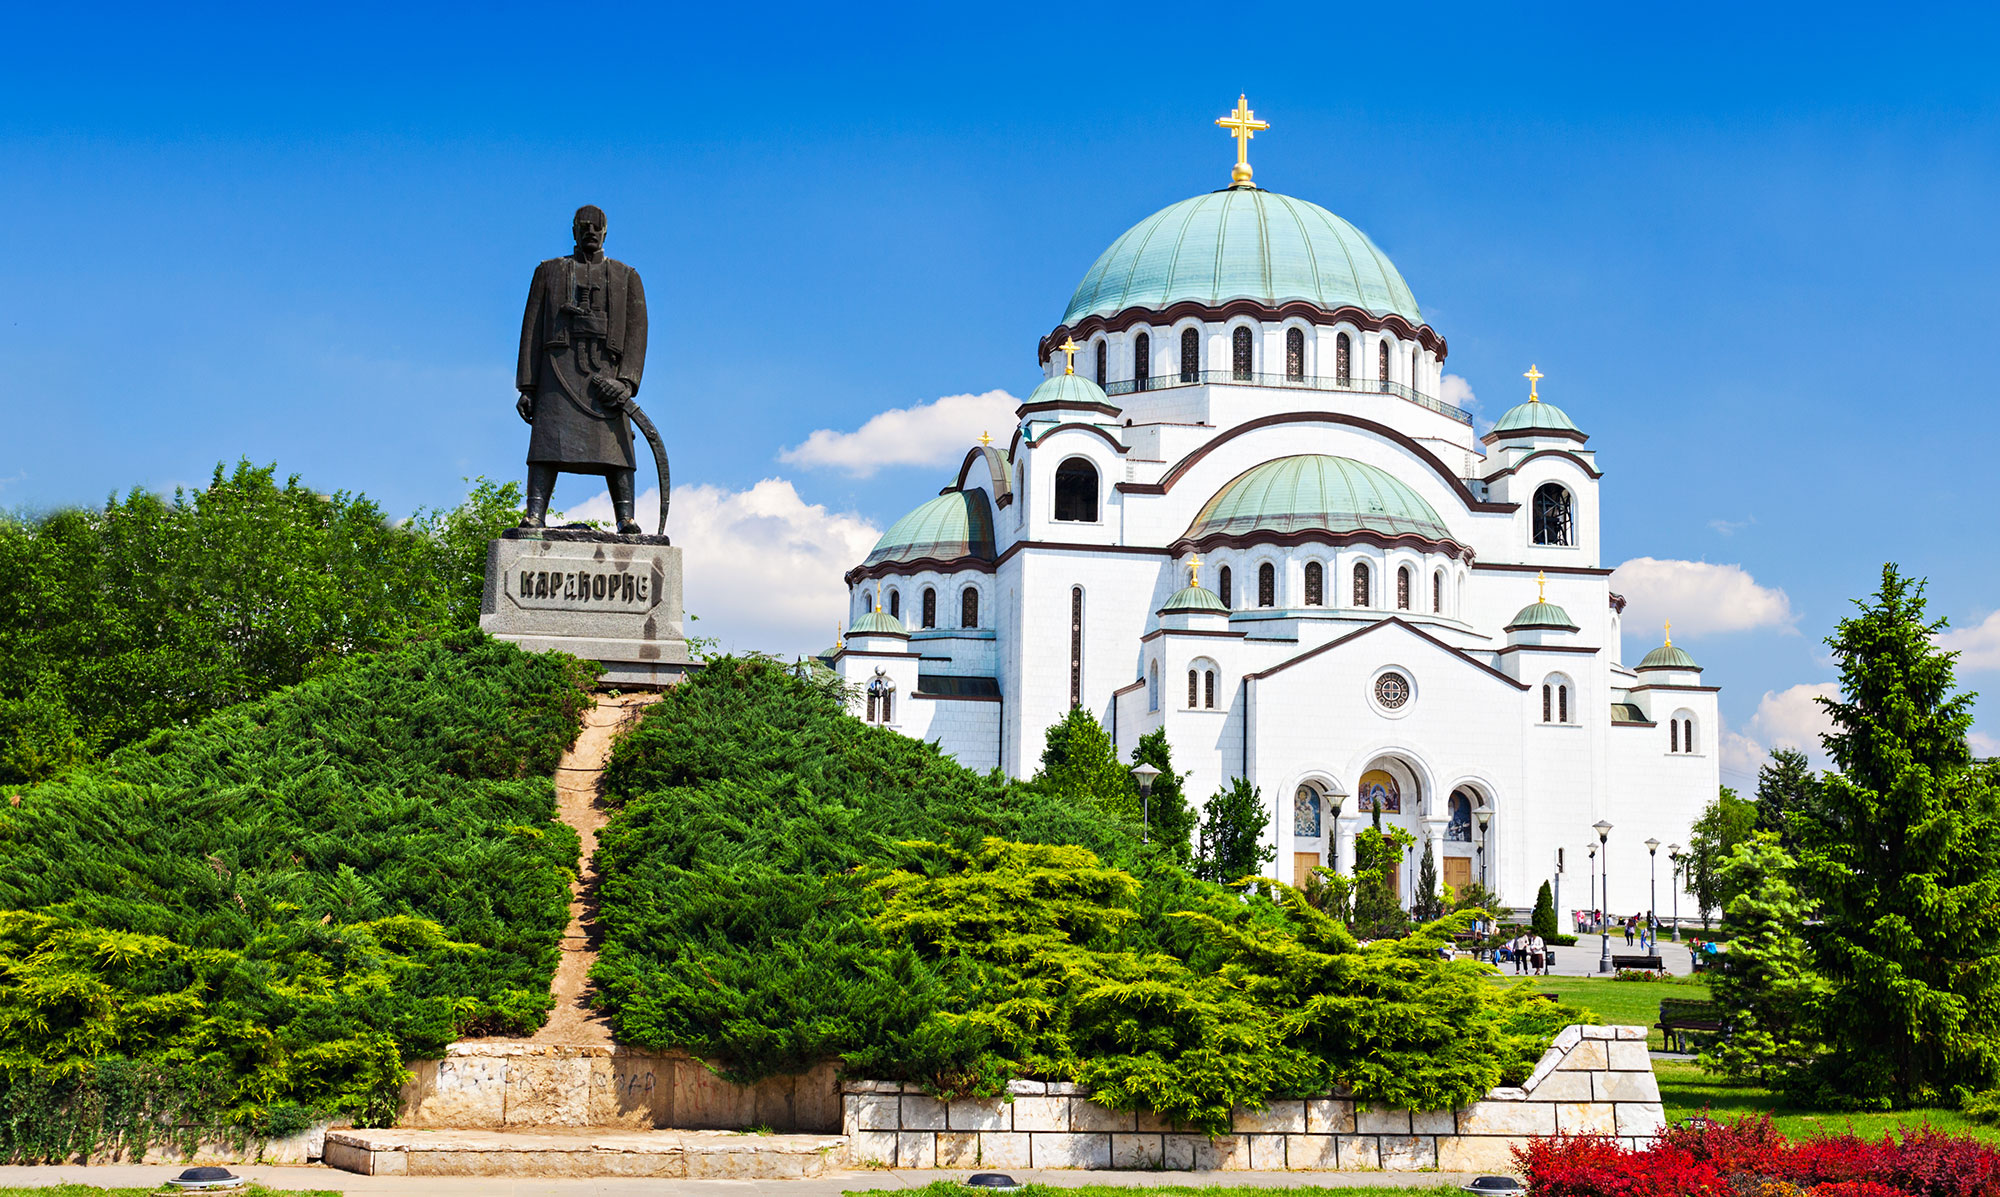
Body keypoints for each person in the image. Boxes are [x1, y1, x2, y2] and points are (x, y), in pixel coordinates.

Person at [515, 205, 651, 534]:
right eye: (584, 226)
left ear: (606, 232)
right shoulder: (548, 271)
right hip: (557, 371)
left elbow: (637, 334)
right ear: (574, 231)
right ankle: (535, 513)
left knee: (617, 448)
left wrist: (627, 382)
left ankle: (626, 518)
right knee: (547, 443)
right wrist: (528, 387)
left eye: (597, 227)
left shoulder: (626, 275)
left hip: (606, 377)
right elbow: (531, 329)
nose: (590, 232)